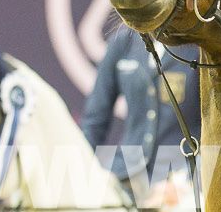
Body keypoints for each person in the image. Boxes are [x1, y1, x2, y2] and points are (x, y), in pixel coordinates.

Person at [80, 27, 202, 198]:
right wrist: (82, 172)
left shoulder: (198, 47)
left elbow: (218, 126)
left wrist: (188, 179)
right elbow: (94, 121)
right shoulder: (123, 41)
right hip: (124, 174)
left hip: (182, 179)